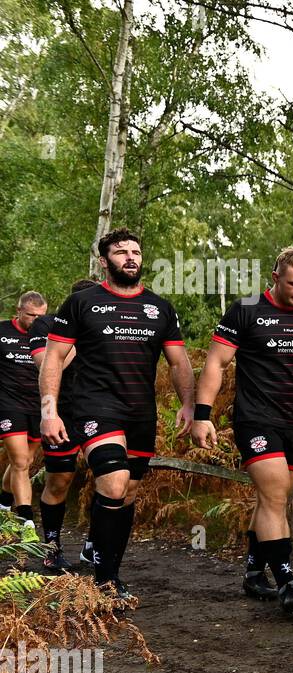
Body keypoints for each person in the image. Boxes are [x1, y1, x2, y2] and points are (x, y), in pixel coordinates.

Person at [192, 247, 293, 614]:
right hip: (255, 419)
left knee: (276, 498)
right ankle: (287, 580)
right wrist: (202, 414)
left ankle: (253, 572)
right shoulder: (245, 310)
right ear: (275, 277)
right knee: (274, 496)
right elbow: (217, 363)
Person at [39, 228, 196, 600]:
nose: (130, 257)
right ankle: (106, 581)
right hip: (95, 406)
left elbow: (178, 362)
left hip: (140, 412)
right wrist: (49, 411)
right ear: (104, 260)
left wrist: (190, 404)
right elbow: (54, 358)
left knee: (126, 493)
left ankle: (106, 564)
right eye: (121, 251)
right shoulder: (82, 303)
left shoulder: (160, 308)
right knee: (112, 481)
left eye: (136, 252)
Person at [29, 278, 98, 570]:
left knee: (111, 480)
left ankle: (93, 546)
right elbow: (46, 363)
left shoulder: (102, 327)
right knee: (60, 480)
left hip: (99, 412)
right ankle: (53, 546)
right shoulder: (45, 326)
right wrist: (75, 336)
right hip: (62, 414)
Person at [0, 291, 49, 543]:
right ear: (18, 311)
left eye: (41, 315)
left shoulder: (48, 334)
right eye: (31, 315)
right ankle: (26, 521)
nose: (36, 320)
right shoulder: (2, 332)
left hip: (40, 407)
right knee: (19, 461)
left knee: (26, 461)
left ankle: (3, 504)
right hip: (8, 405)